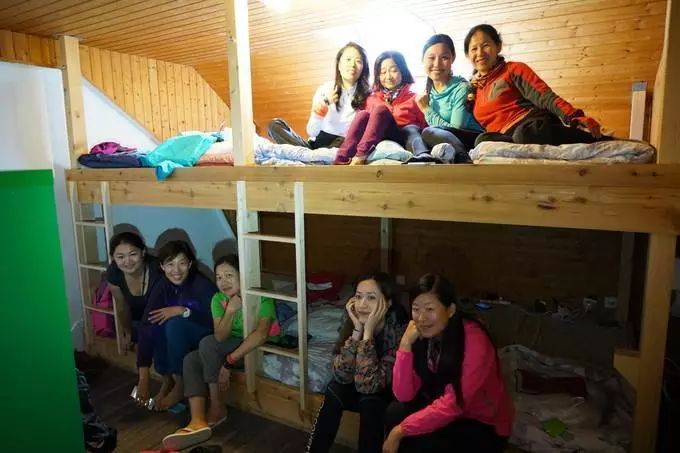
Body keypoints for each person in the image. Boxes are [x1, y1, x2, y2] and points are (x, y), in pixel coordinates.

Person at [162, 254, 281, 450]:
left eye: (229, 276)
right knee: (191, 359)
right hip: (230, 344)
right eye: (219, 277)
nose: (223, 282)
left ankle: (217, 406)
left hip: (257, 347)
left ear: (243, 276)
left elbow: (260, 335)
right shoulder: (218, 299)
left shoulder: (261, 297)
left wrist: (228, 362)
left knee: (207, 344)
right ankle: (197, 420)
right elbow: (220, 336)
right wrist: (231, 311)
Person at [383, 274, 513, 453]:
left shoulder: (474, 340)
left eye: (430, 309)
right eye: (416, 309)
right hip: (443, 408)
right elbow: (404, 395)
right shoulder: (421, 335)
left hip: (481, 423)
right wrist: (404, 347)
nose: (421, 318)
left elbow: (455, 403)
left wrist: (400, 431)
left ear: (450, 310)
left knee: (421, 440)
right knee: (395, 411)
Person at [306, 272, 407, 453]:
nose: (362, 304)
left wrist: (368, 335)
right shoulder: (351, 321)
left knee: (370, 401)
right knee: (334, 389)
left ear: (388, 303)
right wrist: (357, 330)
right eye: (358, 297)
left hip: (381, 390)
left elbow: (370, 386)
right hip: (356, 384)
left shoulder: (398, 330)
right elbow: (341, 375)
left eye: (371, 298)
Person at [464, 24, 607, 147]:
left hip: (532, 124)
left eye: (485, 45)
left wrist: (574, 116)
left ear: (498, 46)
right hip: (506, 135)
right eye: (474, 49)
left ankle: (595, 139)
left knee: (524, 135)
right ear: (467, 55)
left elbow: (545, 96)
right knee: (482, 141)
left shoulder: (513, 70)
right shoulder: (474, 88)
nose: (480, 53)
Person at [136, 240, 217, 412]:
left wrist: (183, 311)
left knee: (174, 324)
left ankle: (180, 384)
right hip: (178, 336)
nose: (176, 271)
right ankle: (167, 380)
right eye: (170, 264)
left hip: (205, 332)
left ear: (190, 264)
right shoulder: (162, 285)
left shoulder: (202, 285)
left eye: (182, 263)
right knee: (156, 323)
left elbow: (214, 321)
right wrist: (143, 377)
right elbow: (147, 322)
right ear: (162, 266)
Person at [268, 42, 371, 149]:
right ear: (339, 65)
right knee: (275, 125)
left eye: (358, 61)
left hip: (342, 144)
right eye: (348, 59)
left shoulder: (368, 96)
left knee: (343, 142)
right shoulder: (325, 89)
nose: (352, 65)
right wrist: (322, 107)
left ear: (363, 68)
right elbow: (312, 132)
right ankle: (312, 156)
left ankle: (311, 157)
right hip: (317, 143)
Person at [333, 51, 427, 165]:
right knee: (362, 114)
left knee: (380, 110)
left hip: (402, 136)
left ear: (403, 71)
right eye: (383, 72)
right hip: (375, 138)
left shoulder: (415, 98)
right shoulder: (370, 98)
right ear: (378, 75)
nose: (388, 76)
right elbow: (361, 127)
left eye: (394, 70)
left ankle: (361, 155)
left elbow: (424, 127)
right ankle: (341, 159)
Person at [416, 34, 484, 163]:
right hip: (447, 142)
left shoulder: (461, 88)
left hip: (471, 138)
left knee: (428, 132)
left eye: (444, 57)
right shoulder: (427, 93)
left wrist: (426, 109)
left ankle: (463, 159)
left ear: (452, 59)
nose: (437, 64)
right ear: (422, 60)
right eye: (431, 58)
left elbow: (455, 129)